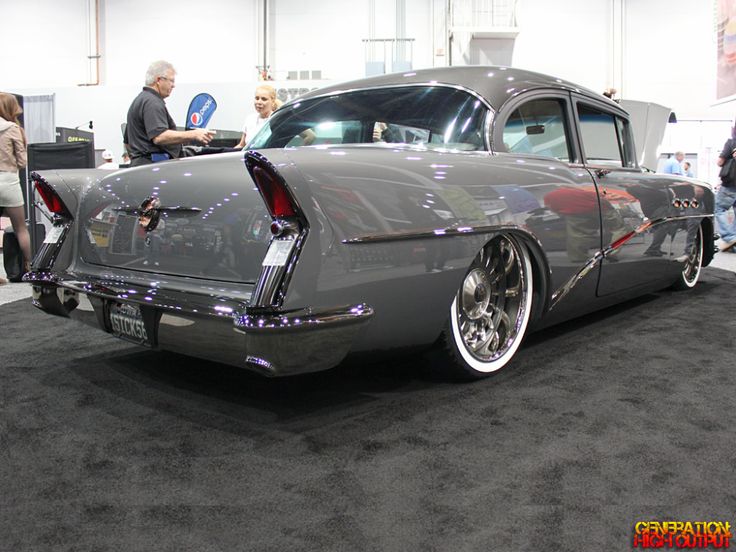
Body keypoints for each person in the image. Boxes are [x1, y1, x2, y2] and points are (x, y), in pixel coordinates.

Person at [124, 60, 213, 167]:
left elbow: (127, 142)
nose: (173, 85)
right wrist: (193, 134)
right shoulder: (152, 102)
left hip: (141, 166)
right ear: (159, 80)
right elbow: (159, 136)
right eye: (171, 81)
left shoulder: (140, 100)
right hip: (153, 167)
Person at [0, 92, 32, 285]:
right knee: (21, 229)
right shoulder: (13, 129)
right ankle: (31, 269)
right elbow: (22, 161)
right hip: (9, 180)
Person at [715, 133, 736, 250]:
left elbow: (720, 162)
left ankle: (730, 237)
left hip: (731, 184)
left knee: (719, 209)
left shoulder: (732, 142)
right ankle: (733, 244)